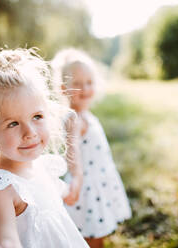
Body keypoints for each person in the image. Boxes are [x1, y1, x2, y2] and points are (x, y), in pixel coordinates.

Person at [0, 48, 89, 247]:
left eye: (37, 117)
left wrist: (71, 188)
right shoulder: (0, 191)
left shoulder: (39, 167)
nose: (30, 132)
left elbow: (51, 201)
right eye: (13, 124)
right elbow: (6, 236)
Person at [51, 48, 132, 248]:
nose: (85, 88)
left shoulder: (86, 114)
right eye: (77, 84)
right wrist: (77, 179)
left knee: (95, 232)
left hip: (99, 181)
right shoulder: (73, 119)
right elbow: (73, 153)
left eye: (89, 82)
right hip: (87, 186)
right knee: (90, 233)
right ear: (63, 89)